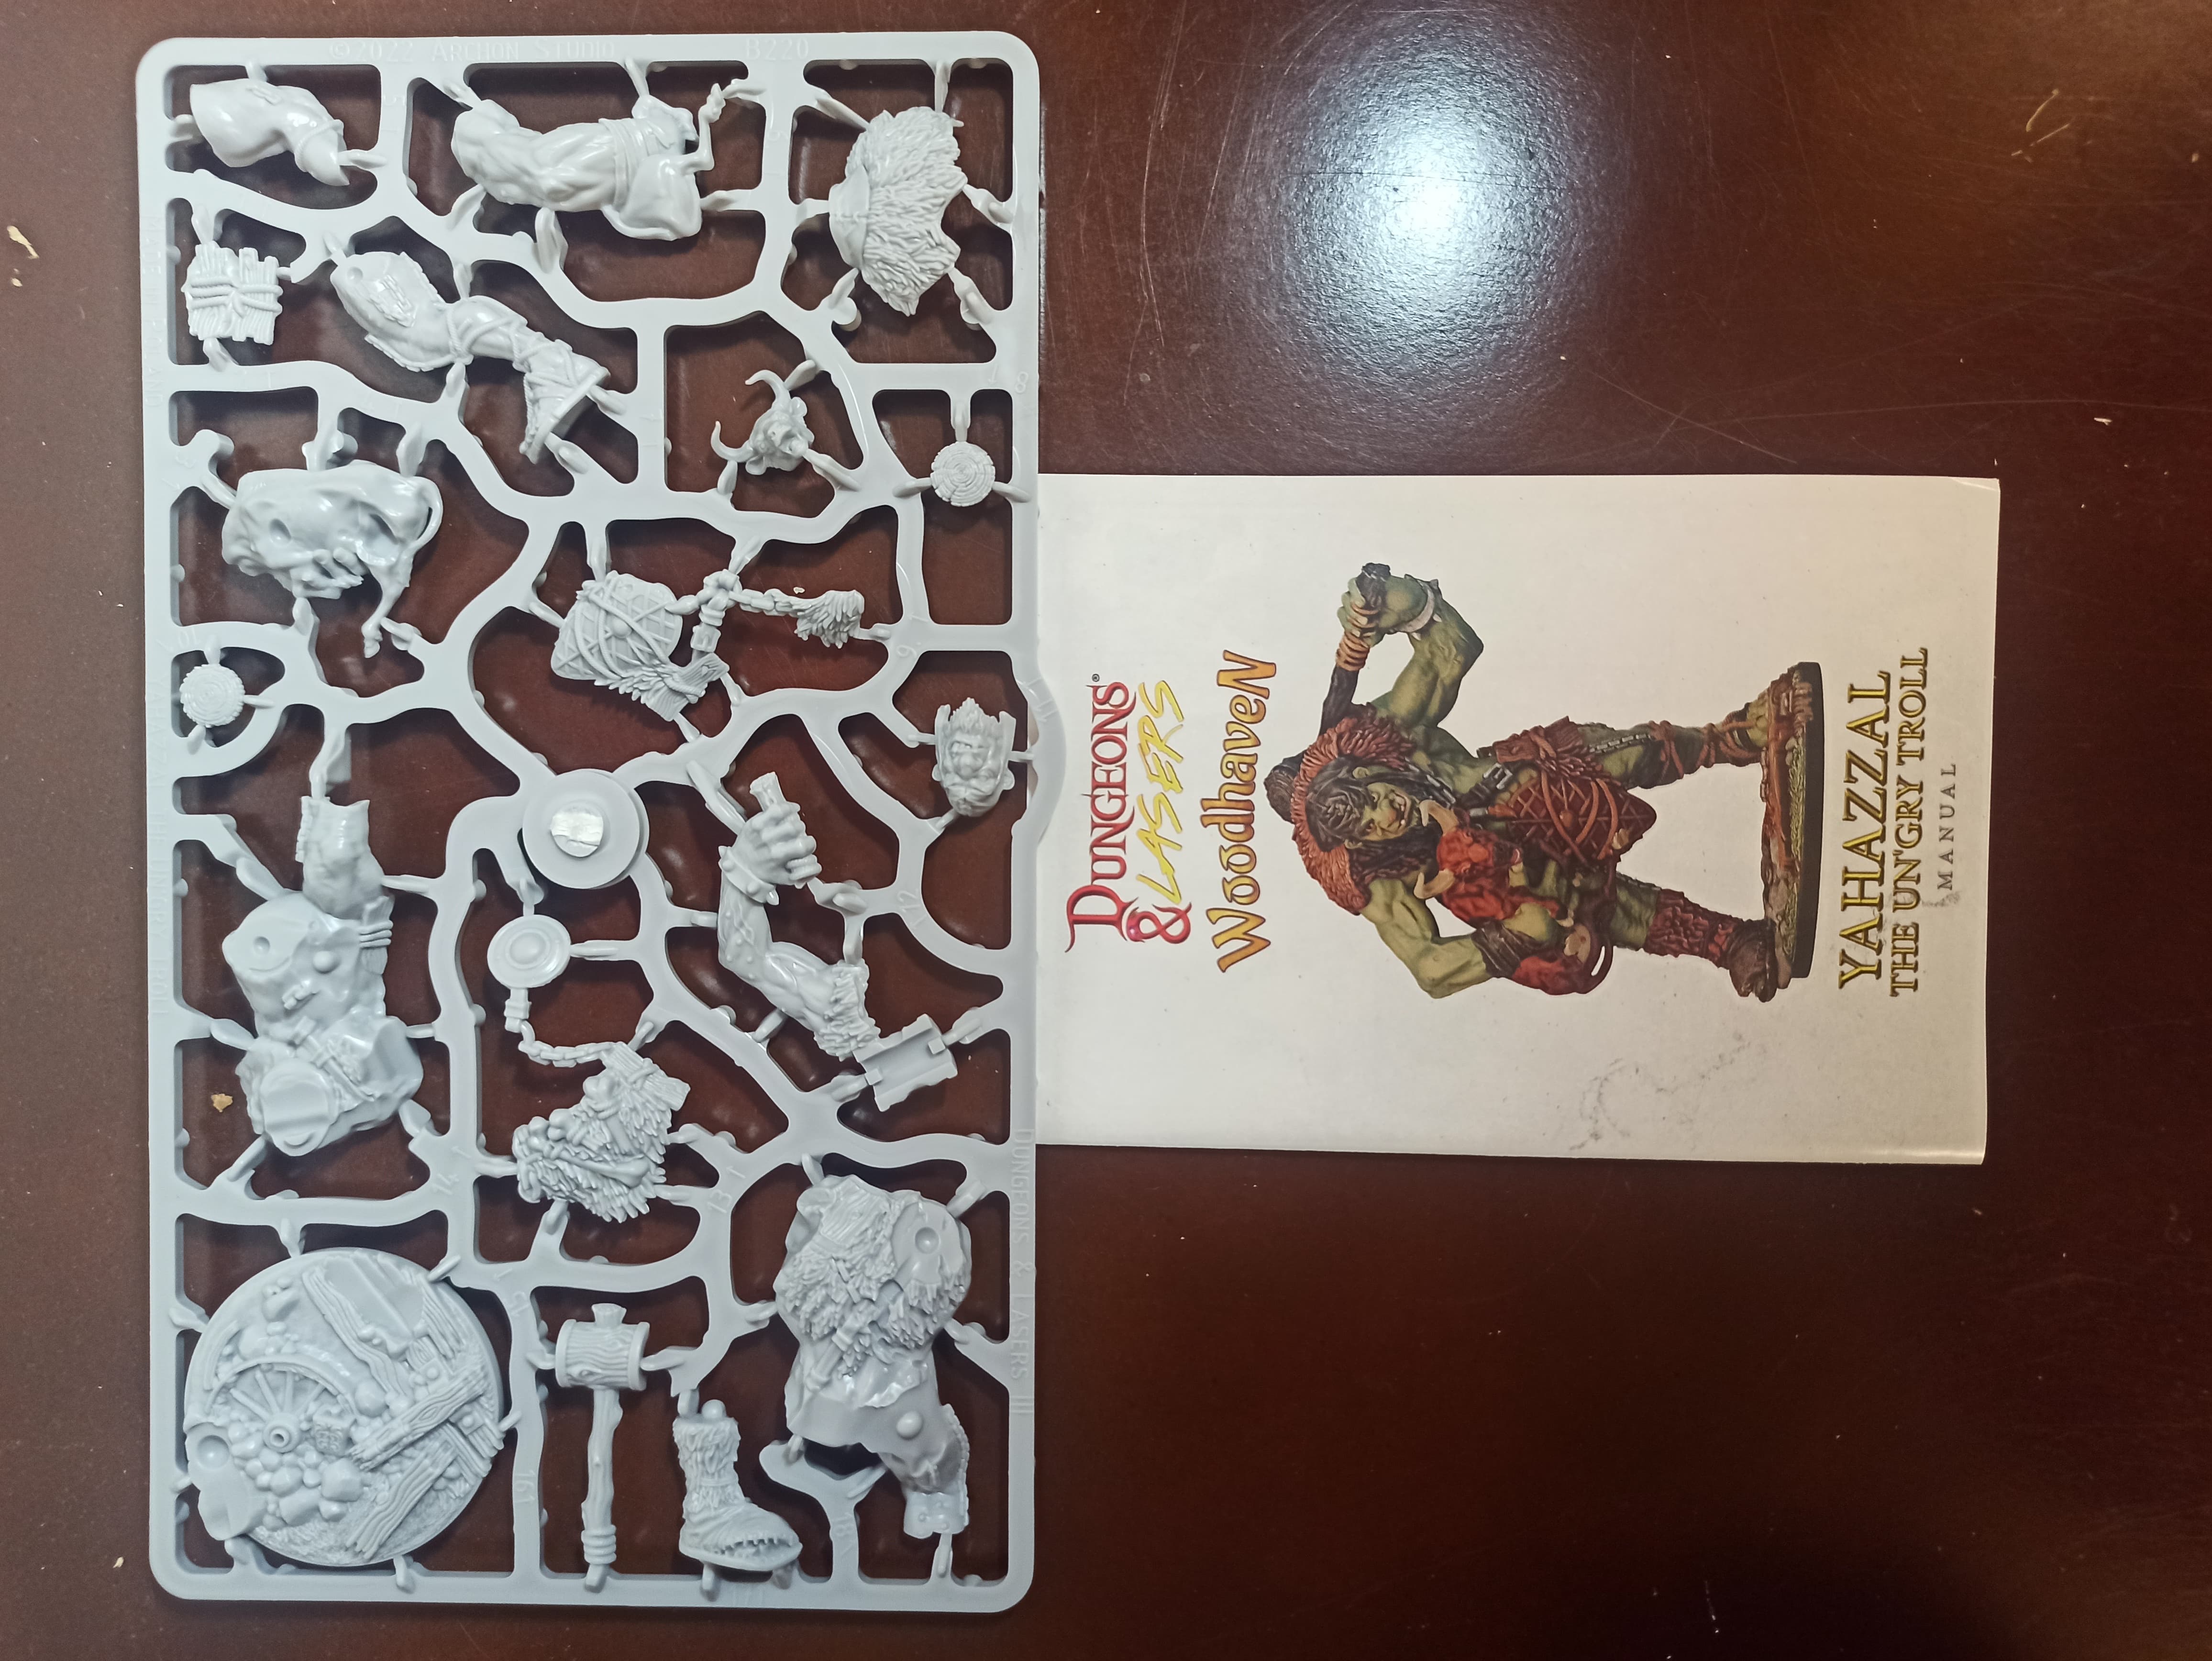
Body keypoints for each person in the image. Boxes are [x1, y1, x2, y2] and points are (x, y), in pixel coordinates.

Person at [1264, 569, 1817, 1000]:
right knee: (1608, 910)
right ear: (1357, 843)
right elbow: (1429, 968)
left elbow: (1449, 651)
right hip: (1514, 877)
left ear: (1365, 771)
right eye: (1372, 826)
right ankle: (1729, 943)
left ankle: (1741, 736)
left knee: (1631, 753)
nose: (1389, 815)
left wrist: (1403, 601)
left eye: (1375, 800)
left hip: (1527, 786)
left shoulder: (1387, 733)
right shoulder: (1371, 876)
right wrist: (1511, 938)